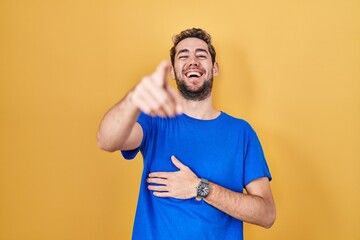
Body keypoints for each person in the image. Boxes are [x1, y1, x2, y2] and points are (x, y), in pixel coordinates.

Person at [97, 28, 276, 240]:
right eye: (183, 56)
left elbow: (267, 214)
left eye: (201, 55)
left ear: (214, 68)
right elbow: (107, 140)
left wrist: (200, 188)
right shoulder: (154, 121)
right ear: (173, 71)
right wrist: (133, 99)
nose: (193, 61)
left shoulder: (241, 132)